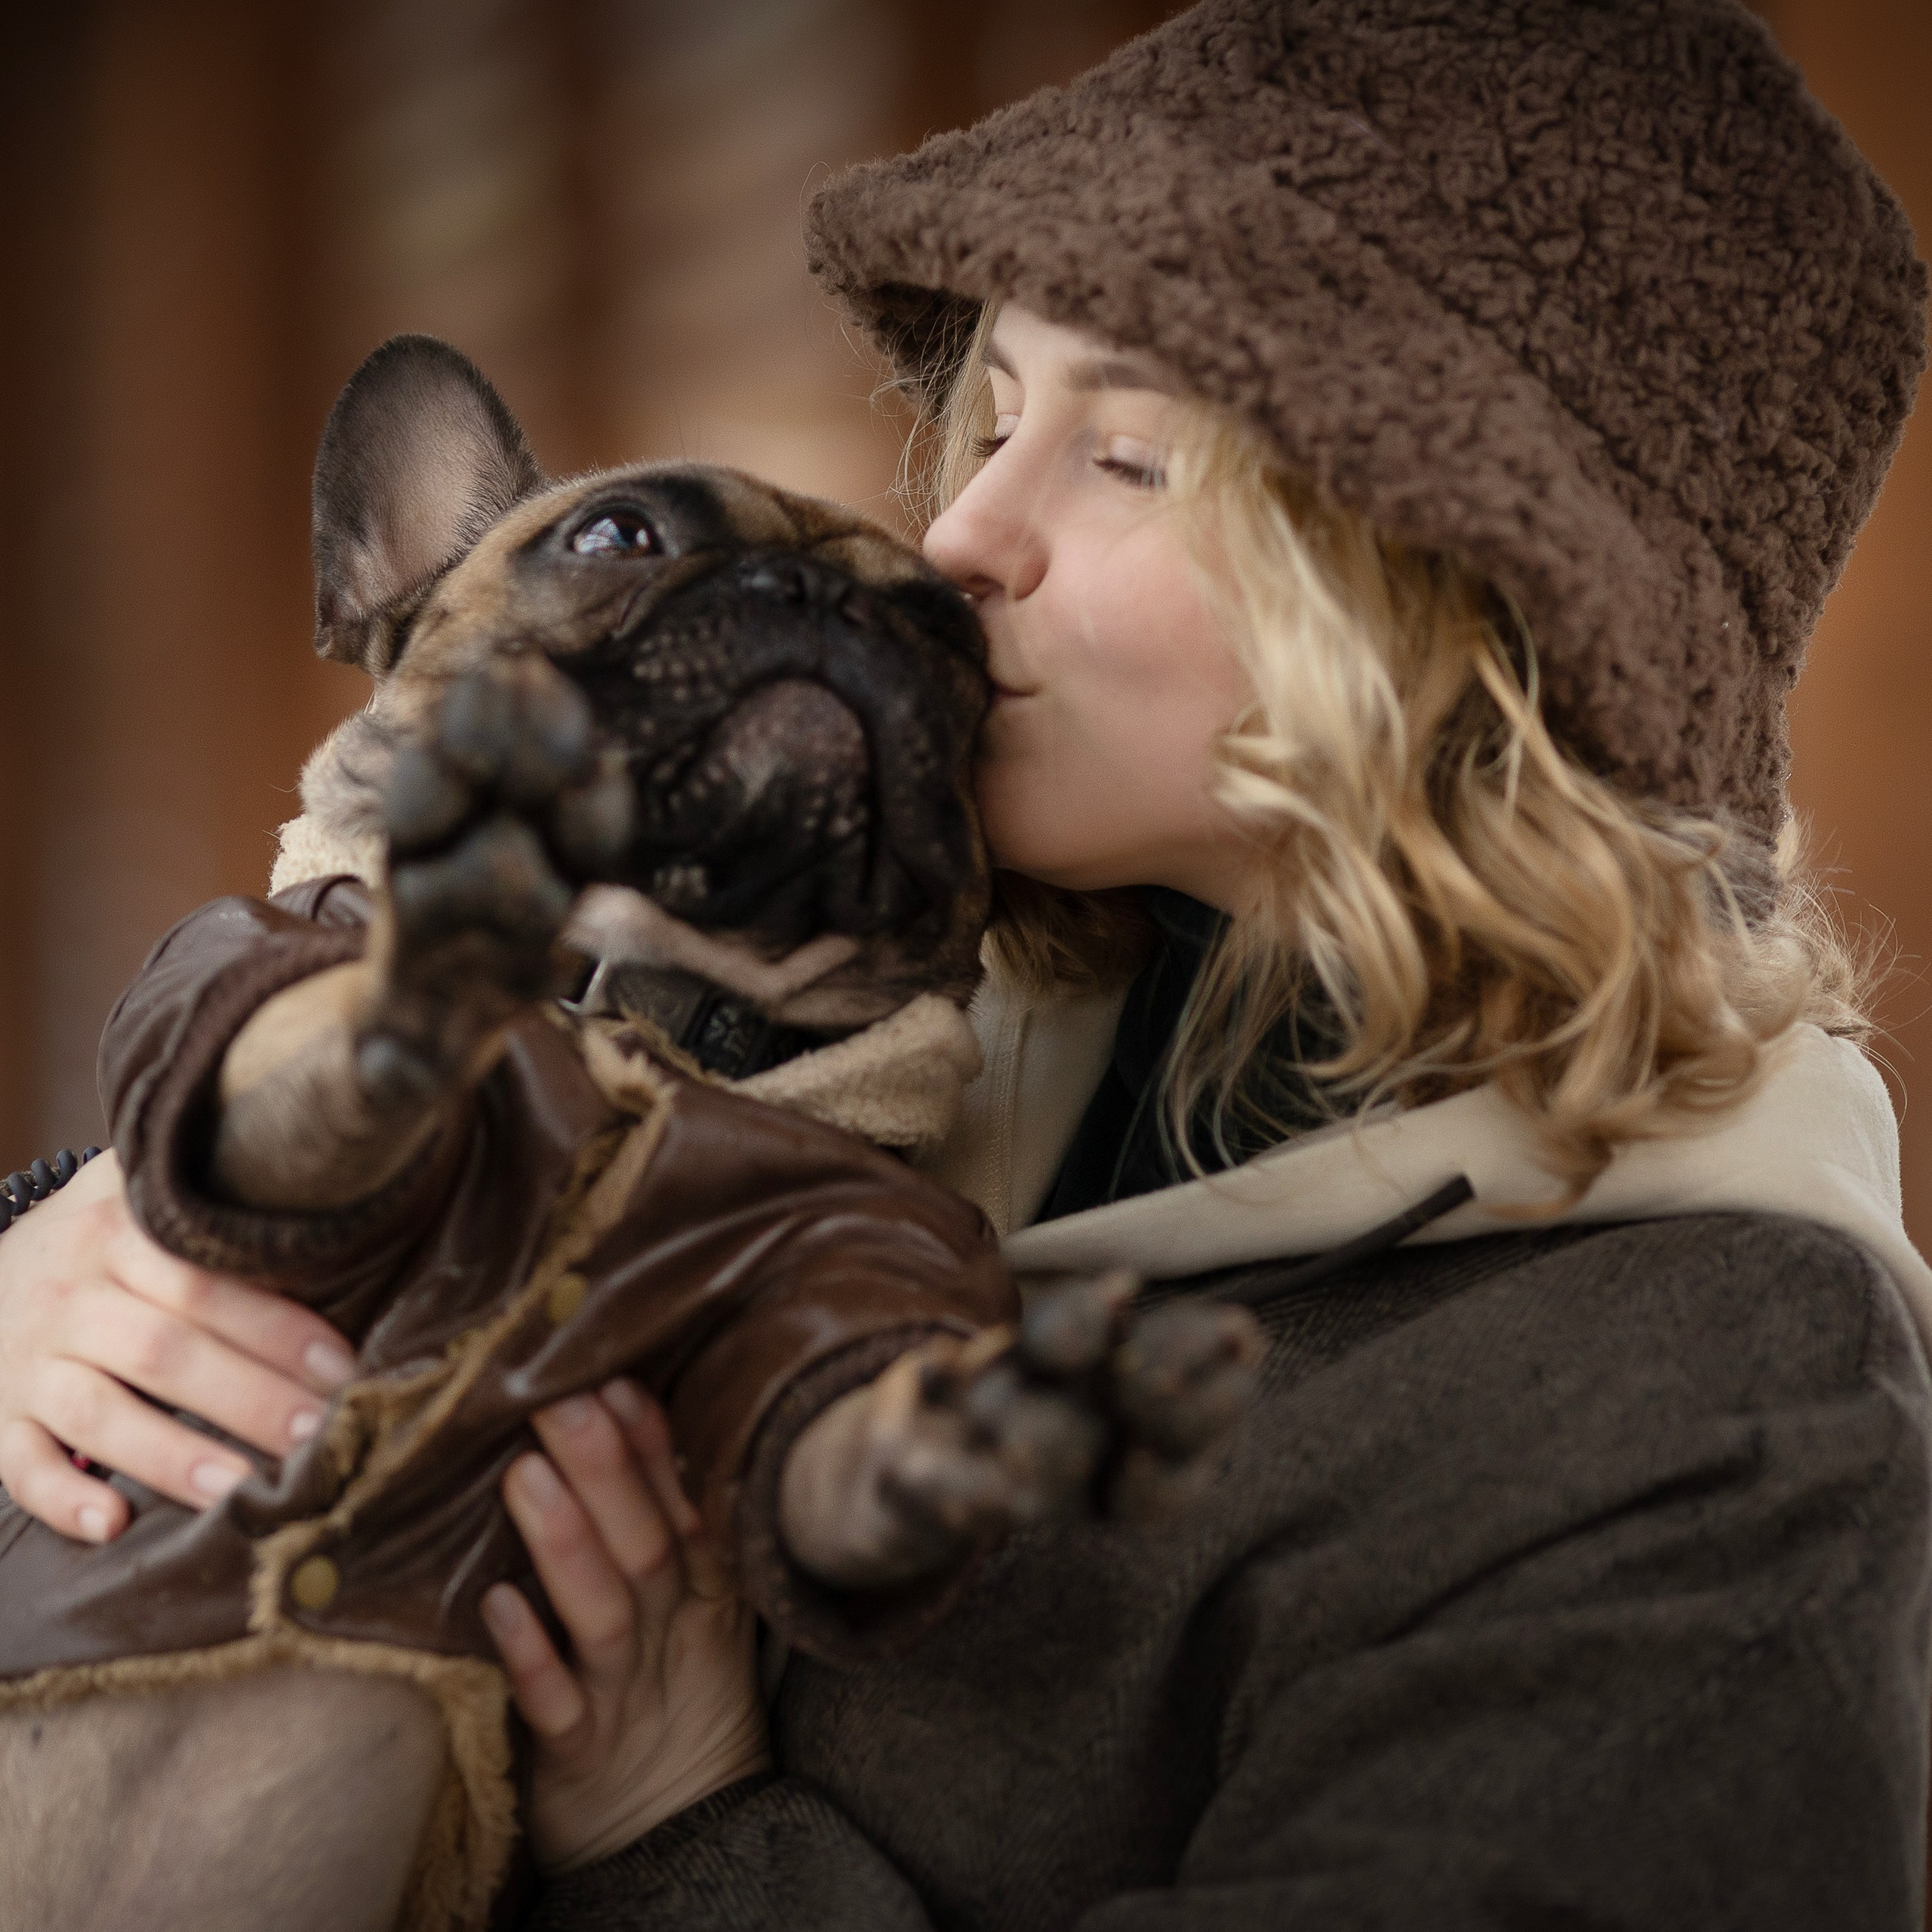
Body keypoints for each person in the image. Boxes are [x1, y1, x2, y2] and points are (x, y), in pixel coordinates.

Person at [2, 0, 1929, 1924]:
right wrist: (46, 1290)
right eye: (991, 419)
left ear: (1447, 607)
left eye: (1130, 458)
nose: (958, 536)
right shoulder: (829, 1011)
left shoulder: (1712, 1400)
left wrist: (695, 1834)